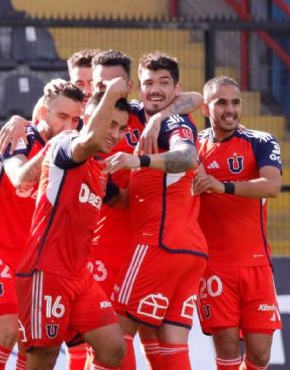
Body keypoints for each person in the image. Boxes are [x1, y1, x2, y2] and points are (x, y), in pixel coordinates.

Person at [0, 81, 84, 370]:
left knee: (31, 342)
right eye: (62, 117)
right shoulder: (21, 137)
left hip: (33, 259)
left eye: (75, 119)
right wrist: (46, 145)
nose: (69, 125)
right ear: (43, 113)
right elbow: (19, 177)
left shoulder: (70, 148)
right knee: (6, 331)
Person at [15, 77, 131, 370]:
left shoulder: (101, 169)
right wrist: (113, 90)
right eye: (110, 123)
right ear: (90, 119)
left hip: (80, 276)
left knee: (113, 349)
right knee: (44, 359)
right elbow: (90, 139)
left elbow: (125, 200)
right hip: (47, 270)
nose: (113, 133)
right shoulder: (66, 144)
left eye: (120, 128)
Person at [103, 52, 207, 370]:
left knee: (113, 336)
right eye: (148, 83)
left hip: (157, 243)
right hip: (190, 250)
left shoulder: (172, 122)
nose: (155, 90)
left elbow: (187, 156)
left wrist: (140, 160)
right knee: (171, 344)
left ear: (176, 88)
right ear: (139, 89)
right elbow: (195, 96)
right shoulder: (136, 114)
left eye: (164, 83)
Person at [193, 76, 282, 370]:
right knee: (228, 349)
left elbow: (271, 186)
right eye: (221, 102)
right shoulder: (193, 147)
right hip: (214, 266)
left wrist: (223, 186)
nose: (230, 109)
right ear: (206, 108)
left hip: (256, 263)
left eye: (235, 102)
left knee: (260, 355)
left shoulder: (260, 141)